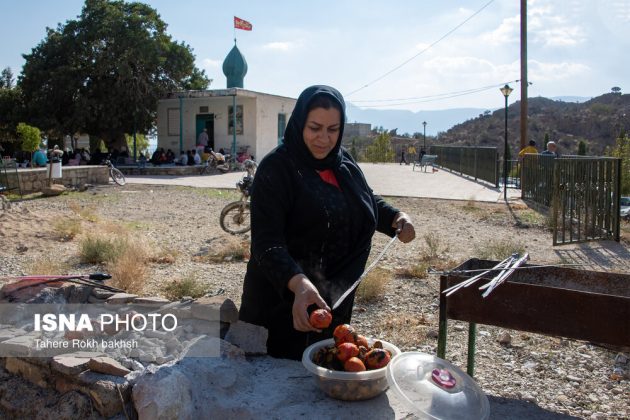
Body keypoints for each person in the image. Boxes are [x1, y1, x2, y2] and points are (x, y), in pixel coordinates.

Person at [238, 85, 416, 360]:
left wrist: (395, 217)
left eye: (333, 129)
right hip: (282, 305)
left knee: (324, 372)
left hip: (332, 301)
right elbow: (266, 243)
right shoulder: (277, 168)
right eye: (315, 128)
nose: (324, 138)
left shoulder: (342, 162)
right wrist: (298, 284)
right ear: (299, 124)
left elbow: (363, 199)